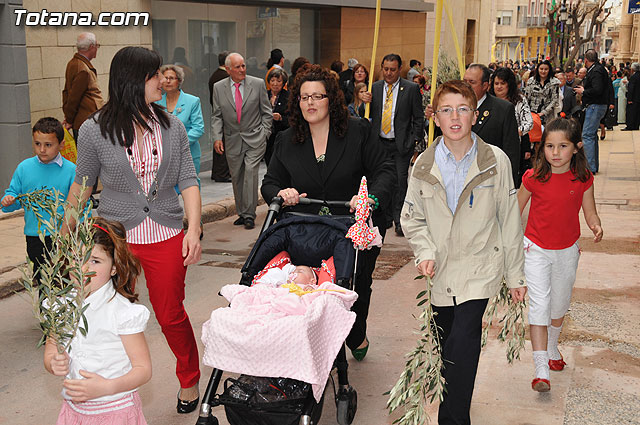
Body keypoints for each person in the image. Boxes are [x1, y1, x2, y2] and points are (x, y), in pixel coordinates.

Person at [66, 46, 202, 414]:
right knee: (106, 313)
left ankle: (190, 379)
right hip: (114, 239)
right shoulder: (93, 130)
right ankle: (111, 383)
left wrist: (194, 229)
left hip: (166, 234)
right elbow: (82, 183)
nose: (163, 80)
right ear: (133, 81)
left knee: (170, 313)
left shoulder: (171, 125)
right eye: (155, 75)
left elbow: (188, 178)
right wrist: (69, 228)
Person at [401, 80, 526, 425]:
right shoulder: (423, 165)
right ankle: (457, 412)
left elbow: (509, 218)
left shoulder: (495, 161)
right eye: (446, 110)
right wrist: (424, 251)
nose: (454, 118)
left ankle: (452, 420)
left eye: (462, 109)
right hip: (440, 270)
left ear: (474, 115)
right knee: (449, 351)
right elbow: (411, 217)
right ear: (435, 118)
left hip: (480, 267)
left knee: (465, 340)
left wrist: (516, 275)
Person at [261, 65, 394, 361]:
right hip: (305, 229)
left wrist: (369, 199)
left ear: (330, 99)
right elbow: (270, 182)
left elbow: (384, 171)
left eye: (317, 96)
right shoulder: (287, 140)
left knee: (356, 286)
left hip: (351, 225)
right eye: (304, 97)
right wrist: (281, 194)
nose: (310, 103)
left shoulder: (358, 131)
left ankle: (356, 332)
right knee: (310, 288)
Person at [517, 118, 602, 393]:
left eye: (562, 146)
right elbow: (514, 210)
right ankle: (541, 369)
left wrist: (595, 224)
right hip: (536, 249)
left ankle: (553, 345)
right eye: (549, 146)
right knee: (539, 304)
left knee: (559, 305)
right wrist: (508, 242)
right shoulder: (533, 178)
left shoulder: (582, 179)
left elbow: (589, 209)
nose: (555, 152)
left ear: (576, 148)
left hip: (567, 250)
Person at [45, 218, 152, 424]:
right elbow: (51, 348)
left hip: (115, 410)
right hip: (73, 410)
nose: (84, 268)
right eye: (78, 257)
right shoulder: (60, 306)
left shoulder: (122, 312)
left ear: (114, 267)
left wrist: (106, 387)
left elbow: (143, 369)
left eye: (95, 260)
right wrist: (53, 362)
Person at [1, 118, 76, 285]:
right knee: (43, 281)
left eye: (48, 145)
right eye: (37, 144)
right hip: (35, 236)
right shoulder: (24, 168)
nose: (42, 150)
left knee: (64, 281)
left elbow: (79, 205)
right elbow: (14, 197)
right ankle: (45, 310)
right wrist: (8, 201)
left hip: (63, 236)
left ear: (61, 145)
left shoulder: (72, 171)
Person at [211, 52, 273, 230]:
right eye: (237, 67)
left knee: (251, 173)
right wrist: (217, 137)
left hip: (255, 137)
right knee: (237, 176)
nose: (242, 70)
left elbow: (266, 112)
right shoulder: (218, 87)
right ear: (228, 69)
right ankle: (241, 212)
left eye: (243, 66)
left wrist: (264, 134)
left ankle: (249, 215)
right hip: (232, 139)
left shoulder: (258, 84)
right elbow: (216, 116)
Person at [367, 53, 425, 236]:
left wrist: (413, 139)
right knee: (381, 180)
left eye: (393, 70)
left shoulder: (410, 89)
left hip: (401, 144)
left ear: (400, 69)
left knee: (400, 181)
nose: (389, 73)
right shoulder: (374, 89)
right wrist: (364, 103)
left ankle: (400, 219)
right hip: (379, 143)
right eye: (385, 69)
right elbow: (367, 114)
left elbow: (418, 117)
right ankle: (384, 218)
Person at [464, 63, 521, 185]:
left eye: (472, 82)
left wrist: (509, 185)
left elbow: (511, 151)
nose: (466, 86)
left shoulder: (503, 109)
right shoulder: (454, 108)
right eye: (464, 81)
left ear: (485, 85)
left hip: (490, 180)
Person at [157, 64, 205, 183]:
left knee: (190, 186)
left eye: (171, 78)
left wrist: (179, 144)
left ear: (179, 81)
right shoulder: (156, 102)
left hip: (188, 152)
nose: (167, 81)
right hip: (164, 155)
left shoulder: (192, 101)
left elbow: (198, 128)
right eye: (165, 78)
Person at [490, 67, 533, 187]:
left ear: (509, 84)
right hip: (490, 147)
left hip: (511, 148)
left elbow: (528, 123)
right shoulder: (488, 101)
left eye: (502, 83)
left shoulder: (519, 100)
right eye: (496, 83)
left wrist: (515, 133)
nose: (499, 87)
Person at [573, 49, 610, 174]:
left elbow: (597, 89)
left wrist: (583, 91)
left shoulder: (596, 70)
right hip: (597, 105)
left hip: (595, 105)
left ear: (586, 60)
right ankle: (592, 166)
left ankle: (589, 167)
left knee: (587, 135)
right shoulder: (598, 69)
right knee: (592, 135)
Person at [62, 32, 103, 141]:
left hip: (81, 121)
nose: (97, 49)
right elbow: (73, 98)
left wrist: (68, 116)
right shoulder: (83, 69)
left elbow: (67, 93)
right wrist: (69, 119)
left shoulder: (73, 63)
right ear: (91, 47)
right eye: (97, 46)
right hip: (86, 120)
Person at [208, 51, 232, 183]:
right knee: (222, 143)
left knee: (220, 143)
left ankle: (218, 172)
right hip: (223, 114)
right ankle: (221, 173)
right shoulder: (223, 77)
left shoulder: (216, 75)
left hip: (219, 112)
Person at [265, 68, 290, 166]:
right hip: (266, 137)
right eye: (272, 80)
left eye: (278, 81)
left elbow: (292, 119)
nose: (275, 84)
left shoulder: (288, 97)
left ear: (283, 83)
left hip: (282, 135)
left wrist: (280, 118)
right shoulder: (263, 95)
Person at [523, 60, 560, 124]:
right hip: (532, 114)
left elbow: (554, 100)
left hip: (548, 116)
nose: (543, 71)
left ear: (549, 70)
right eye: (541, 69)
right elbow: (527, 97)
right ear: (538, 69)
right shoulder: (531, 81)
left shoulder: (555, 82)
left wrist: (544, 112)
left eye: (546, 69)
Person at [623, 63, 640, 131]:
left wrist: (629, 99)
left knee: (631, 113)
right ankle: (636, 125)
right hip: (638, 98)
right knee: (637, 113)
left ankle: (630, 125)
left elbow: (631, 88)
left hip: (633, 98)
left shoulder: (633, 77)